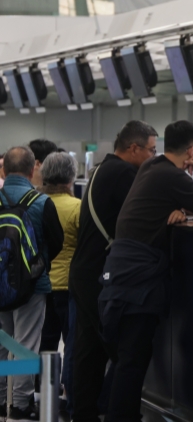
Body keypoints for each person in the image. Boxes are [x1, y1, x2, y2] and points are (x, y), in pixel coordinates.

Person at [98, 120, 193, 422]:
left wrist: (180, 208)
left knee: (126, 357)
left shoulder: (151, 167)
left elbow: (161, 202)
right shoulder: (172, 176)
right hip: (138, 281)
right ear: (192, 149)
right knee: (133, 359)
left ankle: (115, 414)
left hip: (121, 272)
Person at [69, 121, 158, 422]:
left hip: (84, 271)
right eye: (151, 150)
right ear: (133, 148)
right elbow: (145, 213)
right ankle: (119, 413)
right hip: (101, 275)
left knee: (90, 350)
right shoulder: (123, 174)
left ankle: (84, 413)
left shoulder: (102, 169)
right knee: (123, 351)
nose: (153, 157)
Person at [0, 146, 64, 422]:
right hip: (32, 287)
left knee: (3, 344)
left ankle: (0, 399)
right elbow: (57, 241)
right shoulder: (41, 202)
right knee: (24, 345)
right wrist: (38, 267)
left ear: (3, 170)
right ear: (32, 169)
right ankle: (20, 403)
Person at [38, 152, 81, 418]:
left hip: (41, 286)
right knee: (72, 344)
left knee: (45, 345)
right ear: (71, 176)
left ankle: (44, 396)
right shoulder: (77, 207)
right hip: (69, 287)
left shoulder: (37, 204)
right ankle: (69, 397)